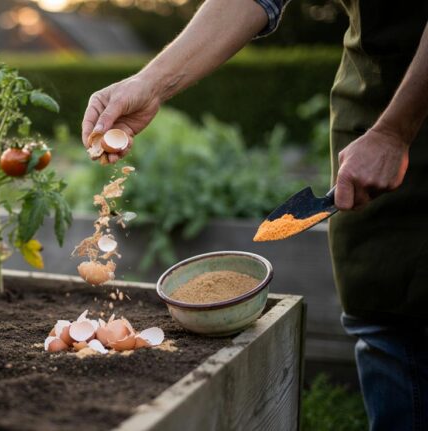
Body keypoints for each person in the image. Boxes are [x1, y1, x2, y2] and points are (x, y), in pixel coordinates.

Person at [81, 1, 428, 429]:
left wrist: (395, 131)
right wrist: (149, 83)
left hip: (407, 112)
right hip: (371, 106)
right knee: (384, 310)